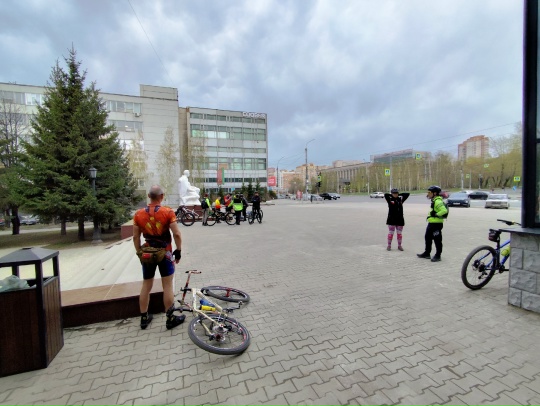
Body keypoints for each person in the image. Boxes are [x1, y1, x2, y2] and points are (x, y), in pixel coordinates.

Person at [133, 185, 185, 330]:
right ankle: (170, 319)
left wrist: (139, 252)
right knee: (167, 285)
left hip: (147, 253)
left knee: (146, 285)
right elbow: (177, 234)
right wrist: (178, 250)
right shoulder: (168, 212)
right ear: (162, 196)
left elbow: (136, 236)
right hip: (165, 253)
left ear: (149, 196)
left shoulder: (138, 214)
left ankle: (144, 318)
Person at [417, 185, 448, 262]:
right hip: (431, 223)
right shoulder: (434, 200)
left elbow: (444, 210)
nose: (428, 194)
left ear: (435, 193)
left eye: (429, 192)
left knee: (437, 240)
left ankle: (438, 255)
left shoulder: (438, 201)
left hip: (436, 224)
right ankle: (427, 253)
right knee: (427, 238)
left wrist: (436, 214)